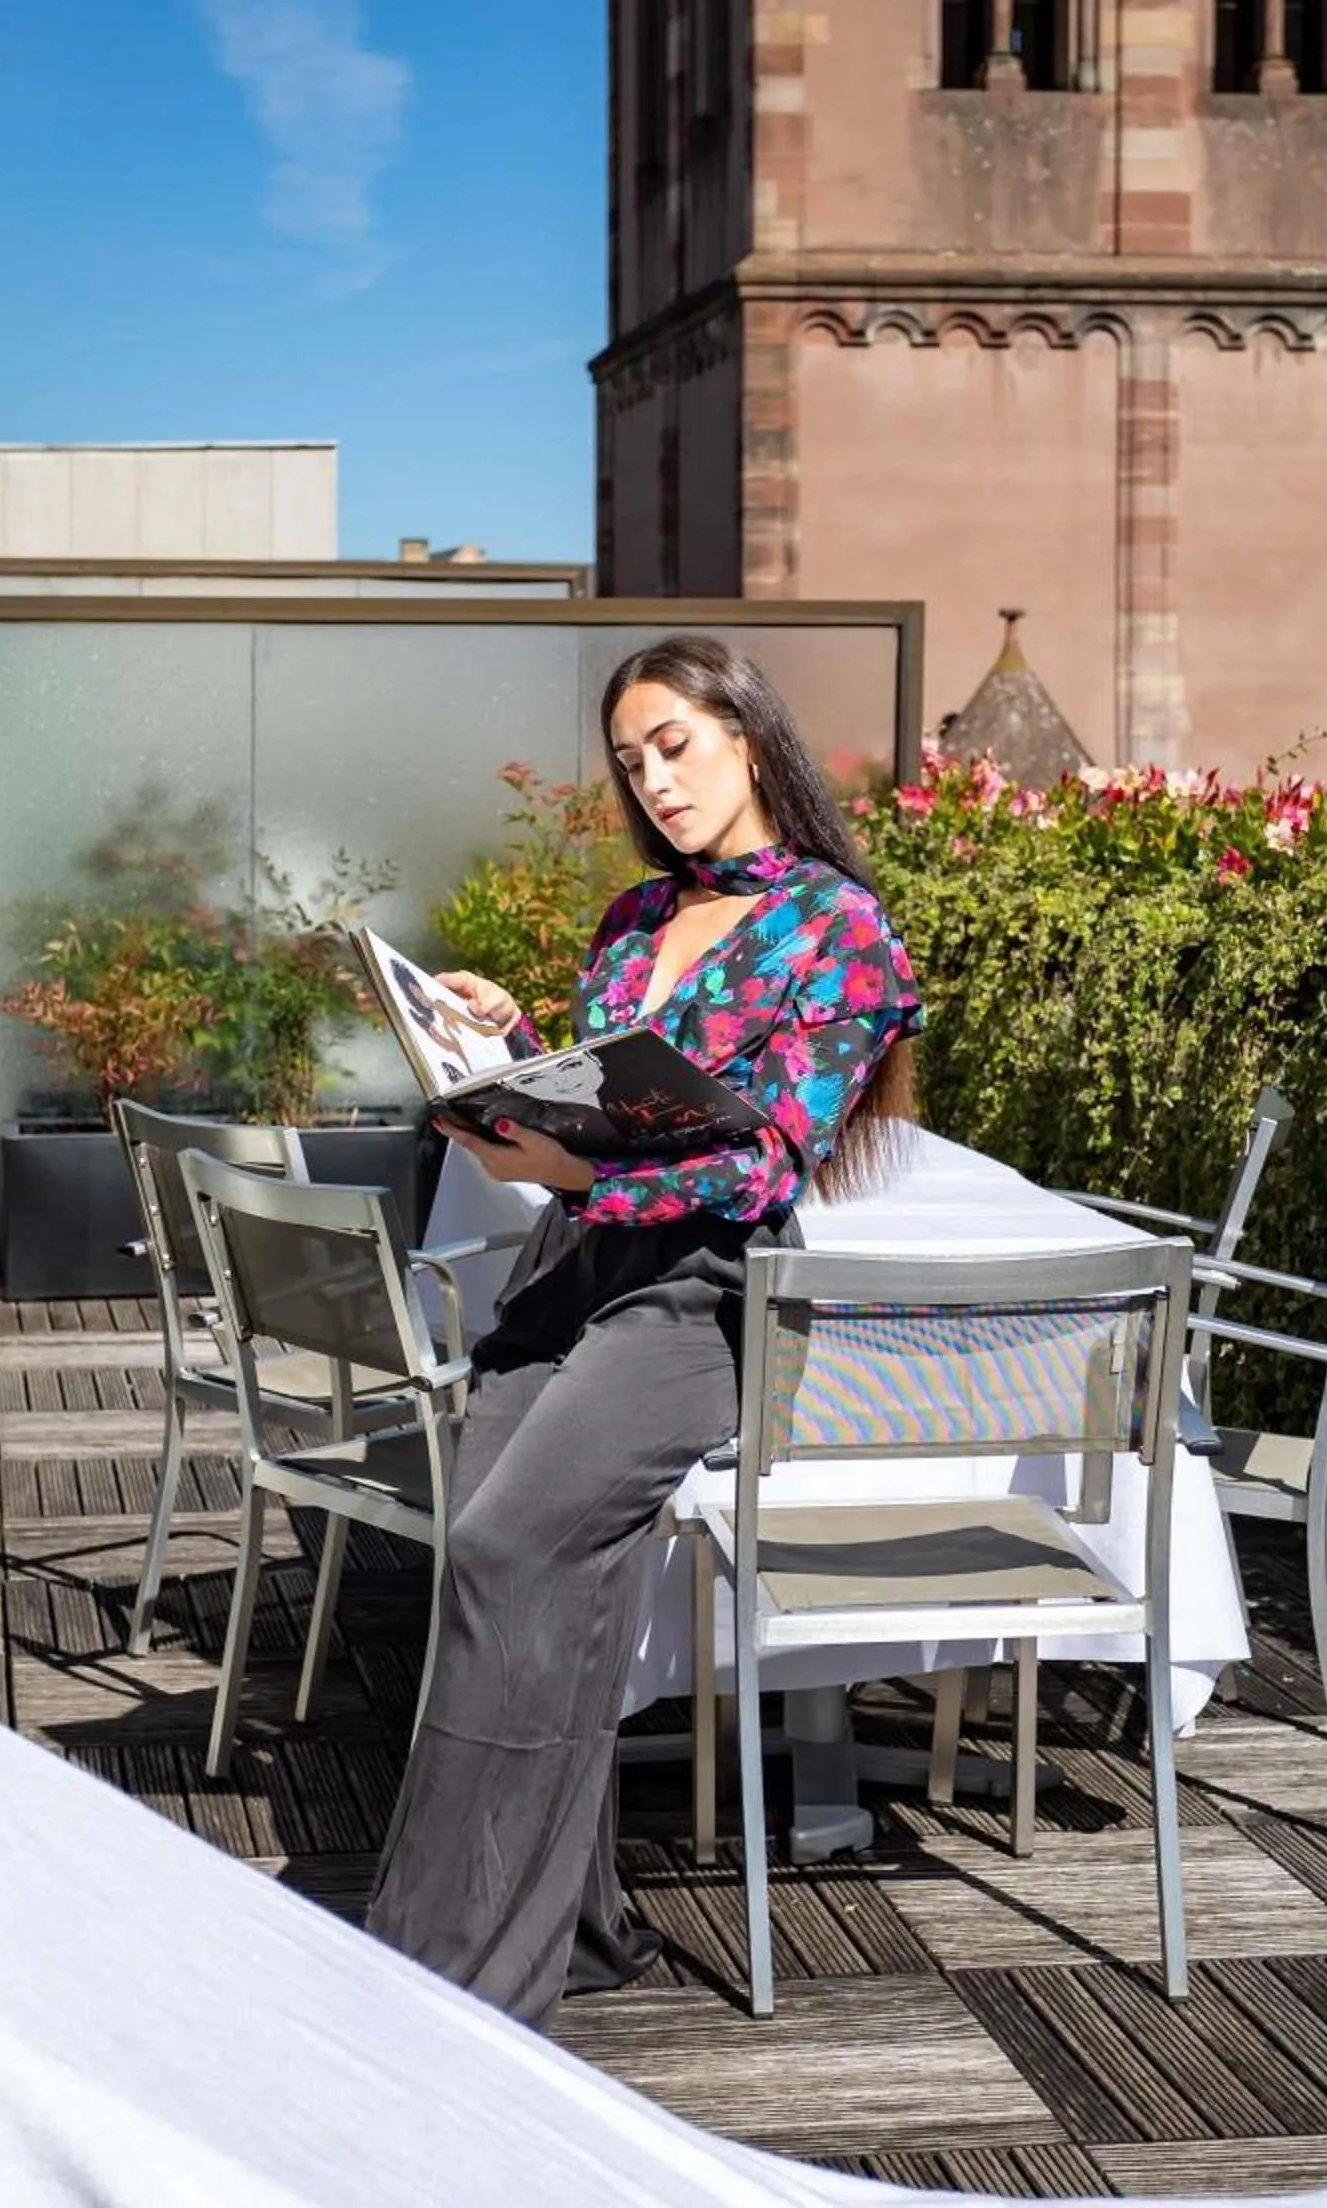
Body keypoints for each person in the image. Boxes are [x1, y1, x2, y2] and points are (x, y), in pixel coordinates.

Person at [363, 634, 923, 2028]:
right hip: (574, 1268)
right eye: (631, 762)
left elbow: (767, 1160)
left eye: (675, 744)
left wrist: (580, 1172)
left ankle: (450, 1977)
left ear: (747, 733)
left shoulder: (841, 932)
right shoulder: (630, 920)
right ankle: (577, 1923)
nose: (656, 781)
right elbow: (618, 1090)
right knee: (502, 1563)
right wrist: (502, 1051)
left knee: (509, 1545)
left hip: (706, 1294)